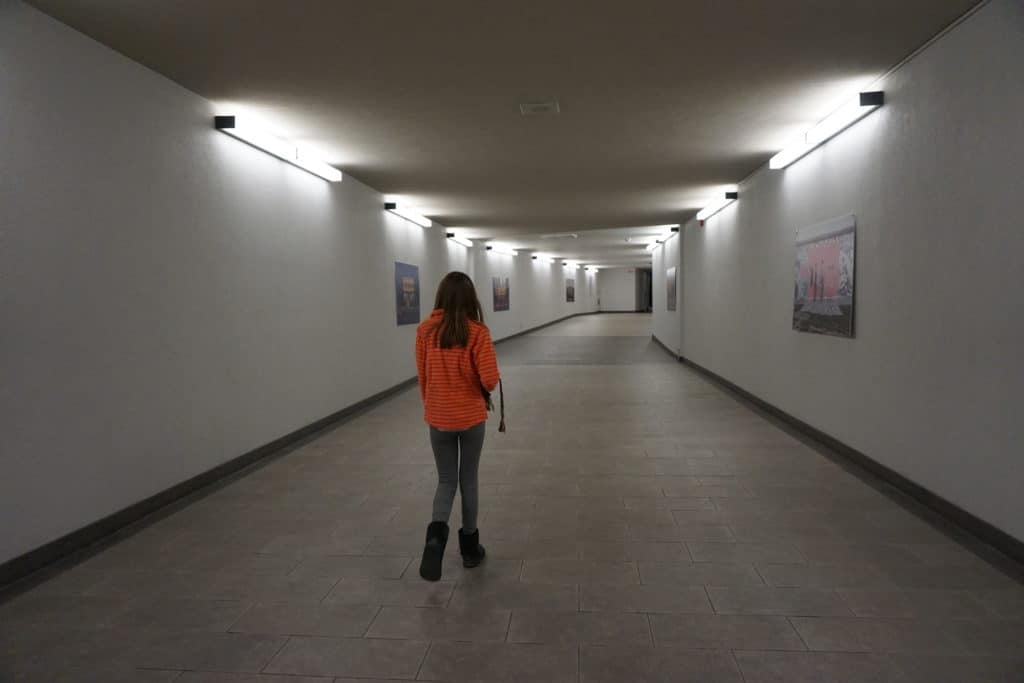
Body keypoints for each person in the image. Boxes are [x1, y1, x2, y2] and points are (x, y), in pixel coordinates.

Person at [415, 272, 500, 581]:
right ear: (470, 299)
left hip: (438, 417)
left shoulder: (425, 330)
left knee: (446, 481)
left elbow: (423, 377)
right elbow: (490, 379)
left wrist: (434, 406)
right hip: (471, 417)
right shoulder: (477, 332)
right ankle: (469, 549)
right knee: (469, 481)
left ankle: (435, 540)